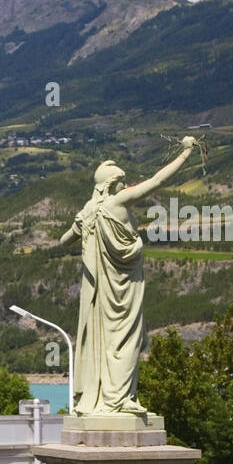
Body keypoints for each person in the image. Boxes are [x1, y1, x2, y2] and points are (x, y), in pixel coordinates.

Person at [60, 136, 197, 415]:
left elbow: (64, 241)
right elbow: (157, 181)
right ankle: (121, 398)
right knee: (127, 339)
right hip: (126, 287)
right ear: (113, 185)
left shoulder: (88, 212)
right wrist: (185, 154)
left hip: (99, 294)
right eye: (122, 180)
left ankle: (100, 399)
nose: (126, 185)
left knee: (104, 341)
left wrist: (83, 225)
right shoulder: (118, 202)